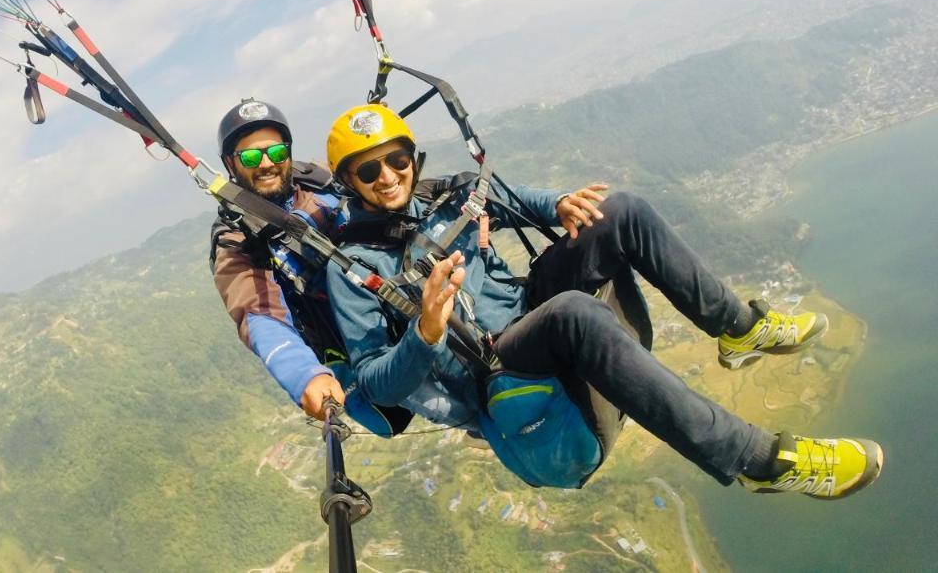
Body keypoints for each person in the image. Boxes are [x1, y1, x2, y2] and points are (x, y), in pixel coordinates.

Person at [322, 102, 884, 499]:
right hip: (491, 362)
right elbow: (375, 383)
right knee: (574, 315)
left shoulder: (450, 196)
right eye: (369, 170)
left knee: (620, 211)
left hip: (529, 310)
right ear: (350, 183)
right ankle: (759, 462)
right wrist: (425, 332)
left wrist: (562, 203)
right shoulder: (352, 268)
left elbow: (523, 199)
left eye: (397, 160)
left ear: (412, 159)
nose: (388, 176)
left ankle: (738, 328)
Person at [209, 98, 346, 421]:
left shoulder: (320, 182)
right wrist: (305, 375)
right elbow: (258, 312)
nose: (267, 164)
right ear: (232, 165)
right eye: (252, 156)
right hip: (341, 339)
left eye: (277, 152)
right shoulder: (236, 238)